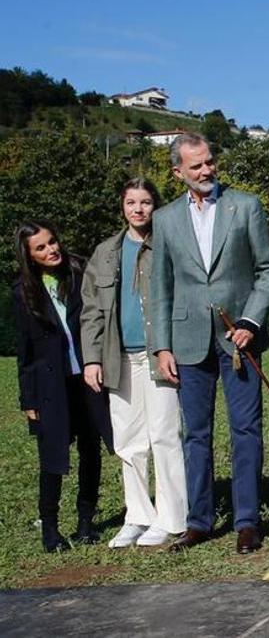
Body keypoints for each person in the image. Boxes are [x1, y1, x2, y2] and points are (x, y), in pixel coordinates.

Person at [150, 133, 269, 554]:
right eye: (196, 166)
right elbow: (161, 287)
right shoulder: (165, 219)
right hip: (187, 343)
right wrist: (161, 347)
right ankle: (199, 522)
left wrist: (250, 321)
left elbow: (266, 271)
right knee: (195, 434)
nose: (206, 171)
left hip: (237, 339)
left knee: (246, 430)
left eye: (209, 162)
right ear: (177, 172)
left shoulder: (246, 206)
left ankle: (246, 522)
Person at [81, 177, 187, 548]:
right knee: (128, 441)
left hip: (159, 354)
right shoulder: (106, 252)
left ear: (155, 206)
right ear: (122, 206)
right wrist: (92, 359)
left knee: (164, 435)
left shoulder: (168, 246)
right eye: (131, 202)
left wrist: (170, 347)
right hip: (119, 356)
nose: (138, 209)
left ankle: (172, 518)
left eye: (145, 202)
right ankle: (138, 516)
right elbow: (92, 311)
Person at [13, 221, 113, 552]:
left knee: (90, 450)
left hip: (86, 378)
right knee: (52, 457)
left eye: (52, 242)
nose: (51, 250)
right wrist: (28, 399)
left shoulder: (80, 274)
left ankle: (86, 522)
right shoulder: (24, 292)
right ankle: (51, 530)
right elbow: (25, 351)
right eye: (40, 248)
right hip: (50, 386)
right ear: (29, 255)